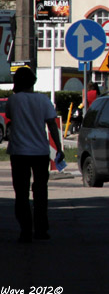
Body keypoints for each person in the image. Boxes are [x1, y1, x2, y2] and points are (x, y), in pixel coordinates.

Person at [6, 66, 64, 243]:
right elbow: (52, 125)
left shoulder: (13, 101)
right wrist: (59, 148)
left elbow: (11, 120)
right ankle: (41, 229)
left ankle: (25, 230)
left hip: (19, 152)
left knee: (21, 193)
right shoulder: (43, 100)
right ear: (33, 82)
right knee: (40, 191)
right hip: (40, 151)